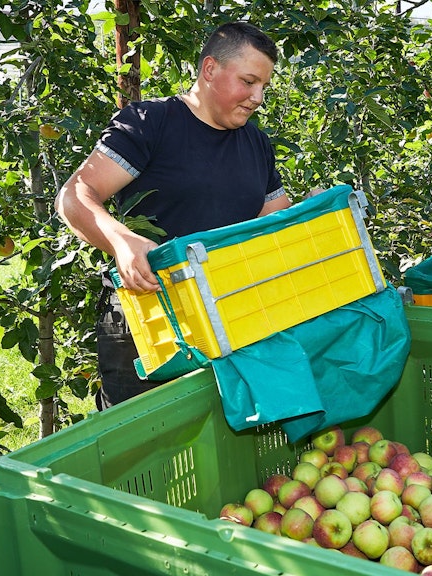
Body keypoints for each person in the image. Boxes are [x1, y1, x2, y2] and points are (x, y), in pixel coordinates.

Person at [55, 21, 292, 410]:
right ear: (210, 69)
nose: (258, 97)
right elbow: (74, 195)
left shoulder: (255, 142)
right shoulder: (151, 123)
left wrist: (314, 213)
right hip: (151, 321)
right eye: (249, 82)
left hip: (231, 316)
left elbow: (273, 225)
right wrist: (121, 241)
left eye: (264, 86)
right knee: (141, 450)